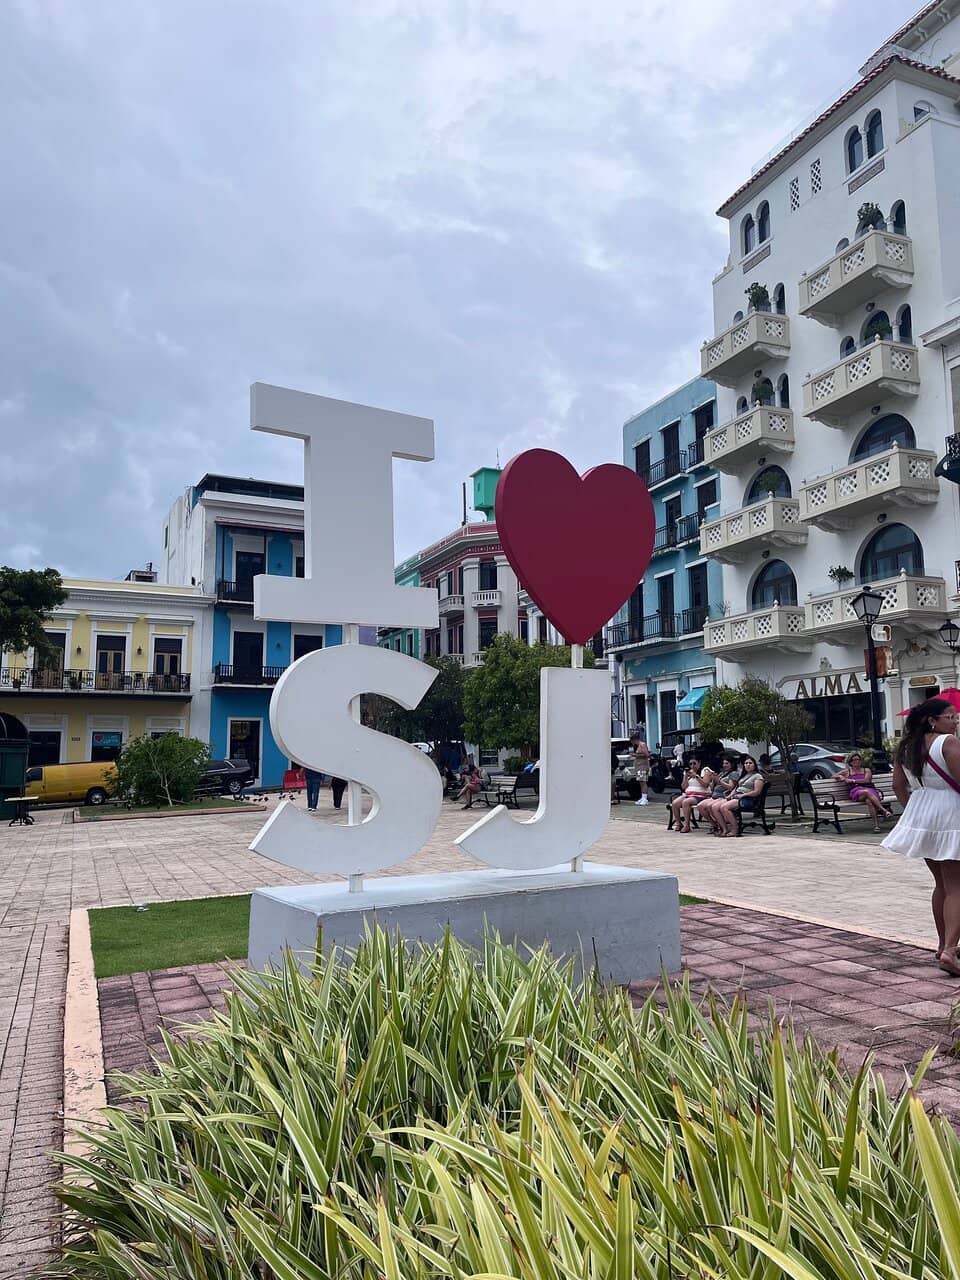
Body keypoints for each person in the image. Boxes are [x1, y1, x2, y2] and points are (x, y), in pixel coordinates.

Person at [882, 698, 960, 975]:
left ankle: (942, 945)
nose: (954, 721)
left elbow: (898, 785)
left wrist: (915, 813)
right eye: (950, 716)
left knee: (941, 883)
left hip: (924, 813)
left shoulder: (905, 747)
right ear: (932, 720)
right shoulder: (947, 742)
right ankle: (951, 950)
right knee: (956, 886)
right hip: (952, 813)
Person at [835, 751, 893, 832]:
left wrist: (852, 781)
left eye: (858, 759)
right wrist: (842, 777)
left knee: (869, 801)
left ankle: (876, 826)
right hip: (856, 792)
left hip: (870, 790)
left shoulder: (867, 770)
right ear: (850, 762)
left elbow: (866, 780)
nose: (857, 761)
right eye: (854, 760)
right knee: (866, 792)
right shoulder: (847, 771)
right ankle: (884, 810)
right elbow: (834, 775)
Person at [715, 755, 764, 837]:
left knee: (724, 807)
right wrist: (731, 794)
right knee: (716, 806)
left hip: (747, 799)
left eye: (750, 763)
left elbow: (757, 792)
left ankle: (735, 829)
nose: (748, 765)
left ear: (754, 765)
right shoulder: (743, 776)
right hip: (736, 797)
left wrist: (743, 795)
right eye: (746, 763)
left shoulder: (758, 776)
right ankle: (724, 828)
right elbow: (737, 787)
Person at [697, 755, 740, 833]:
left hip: (723, 796)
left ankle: (723, 827)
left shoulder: (733, 774)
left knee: (711, 806)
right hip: (714, 796)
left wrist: (719, 781)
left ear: (732, 764)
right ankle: (714, 825)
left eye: (727, 763)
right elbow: (712, 788)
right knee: (700, 806)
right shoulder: (722, 773)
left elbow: (730, 787)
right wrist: (713, 779)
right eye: (724, 763)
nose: (724, 765)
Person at [670, 759, 710, 833]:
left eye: (694, 763)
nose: (692, 766)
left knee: (686, 802)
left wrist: (696, 776)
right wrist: (685, 776)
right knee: (675, 803)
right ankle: (679, 824)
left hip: (701, 795)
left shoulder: (705, 771)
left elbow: (705, 785)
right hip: (688, 794)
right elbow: (683, 787)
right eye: (690, 764)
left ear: (699, 763)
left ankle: (687, 825)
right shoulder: (688, 772)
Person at [632, 733, 650, 806]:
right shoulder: (639, 745)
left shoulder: (642, 745)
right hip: (639, 766)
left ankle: (645, 798)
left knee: (643, 782)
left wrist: (635, 755)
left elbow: (646, 754)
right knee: (640, 782)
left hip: (643, 765)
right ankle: (642, 797)